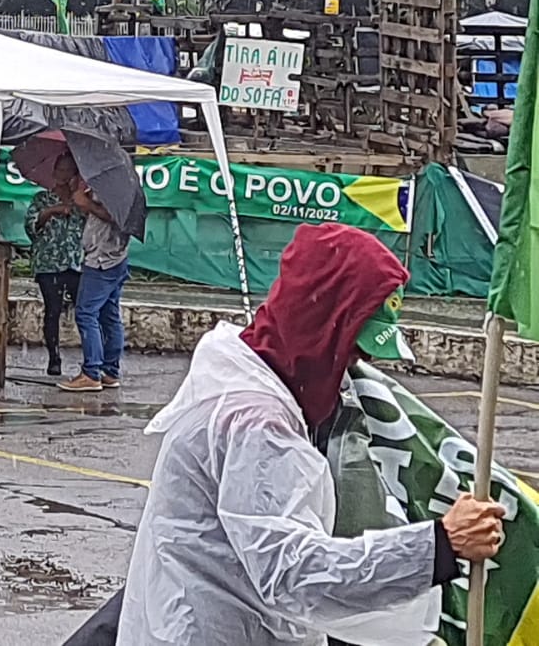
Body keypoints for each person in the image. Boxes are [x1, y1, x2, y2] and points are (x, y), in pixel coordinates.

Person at [112, 224, 507, 646]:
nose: (354, 371)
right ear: (321, 327)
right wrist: (439, 546)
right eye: (353, 350)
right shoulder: (255, 423)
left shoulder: (251, 383)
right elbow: (292, 572)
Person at [60, 176, 129, 391]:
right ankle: (110, 370)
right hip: (112, 257)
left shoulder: (115, 186)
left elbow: (114, 217)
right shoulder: (116, 184)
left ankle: (91, 372)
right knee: (109, 314)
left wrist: (88, 203)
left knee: (86, 313)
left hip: (102, 259)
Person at [25, 153, 83, 377]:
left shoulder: (82, 201)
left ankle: (90, 360)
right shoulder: (42, 198)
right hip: (49, 263)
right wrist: (52, 211)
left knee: (83, 312)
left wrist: (77, 200)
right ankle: (54, 357)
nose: (64, 175)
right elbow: (31, 226)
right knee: (53, 310)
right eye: (60, 170)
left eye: (69, 171)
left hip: (76, 263)